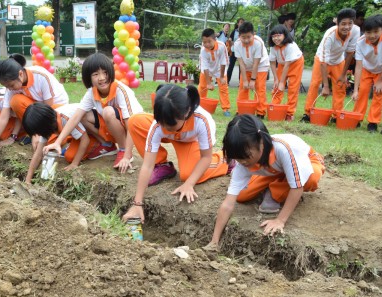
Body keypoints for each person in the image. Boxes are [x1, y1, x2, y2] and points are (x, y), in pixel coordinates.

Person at [207, 114, 325, 248]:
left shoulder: (284, 150)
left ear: (261, 142)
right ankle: (277, 184)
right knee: (242, 195)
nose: (242, 162)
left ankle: (275, 191)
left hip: (308, 162)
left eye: (246, 157)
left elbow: (297, 187)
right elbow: (228, 203)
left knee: (310, 178)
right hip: (274, 170)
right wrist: (214, 241)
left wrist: (280, 220)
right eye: (238, 159)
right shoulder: (244, 162)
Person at [121, 84, 231, 223]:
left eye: (170, 125)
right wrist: (137, 204)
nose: (166, 128)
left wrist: (189, 184)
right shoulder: (159, 125)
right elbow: (147, 165)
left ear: (186, 113)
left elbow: (206, 157)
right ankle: (163, 166)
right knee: (135, 121)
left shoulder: (201, 121)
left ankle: (225, 159)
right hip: (175, 135)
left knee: (187, 174)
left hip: (190, 142)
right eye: (162, 123)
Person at [43, 53, 142, 170]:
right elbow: (76, 117)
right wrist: (58, 142)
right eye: (96, 74)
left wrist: (126, 155)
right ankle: (107, 145)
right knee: (83, 115)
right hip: (113, 128)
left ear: (111, 71)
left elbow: (130, 124)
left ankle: (123, 149)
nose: (102, 78)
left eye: (105, 72)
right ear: (88, 78)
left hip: (134, 129)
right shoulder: (91, 92)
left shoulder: (120, 90)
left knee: (108, 112)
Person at [0, 54, 68, 161]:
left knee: (49, 142)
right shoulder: (11, 89)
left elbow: (48, 109)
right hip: (36, 111)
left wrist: (38, 134)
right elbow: (3, 117)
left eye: (11, 85)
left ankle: (63, 134)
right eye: (6, 87)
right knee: (16, 100)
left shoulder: (40, 76)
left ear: (20, 74)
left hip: (55, 110)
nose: (9, 89)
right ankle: (36, 134)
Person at [301, 8, 360, 123]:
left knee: (340, 87)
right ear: (337, 23)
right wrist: (326, 86)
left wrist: (343, 74)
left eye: (350, 23)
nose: (347, 27)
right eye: (343, 24)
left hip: (339, 61)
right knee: (314, 85)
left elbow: (349, 54)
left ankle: (336, 115)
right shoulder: (329, 35)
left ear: (353, 23)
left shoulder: (356, 31)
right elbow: (324, 62)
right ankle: (307, 113)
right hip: (322, 60)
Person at [22, 102, 93, 183]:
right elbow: (38, 153)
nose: (38, 135)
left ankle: (102, 146)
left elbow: (85, 140)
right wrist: (28, 180)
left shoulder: (66, 118)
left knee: (70, 156)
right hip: (82, 132)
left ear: (44, 126)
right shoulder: (48, 122)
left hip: (94, 128)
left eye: (38, 132)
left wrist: (74, 164)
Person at [352, 14, 382, 133]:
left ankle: (373, 122)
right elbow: (358, 66)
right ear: (364, 32)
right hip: (368, 68)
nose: (372, 36)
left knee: (379, 92)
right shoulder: (360, 42)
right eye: (368, 32)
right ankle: (357, 118)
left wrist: (381, 80)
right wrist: (356, 89)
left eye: (376, 31)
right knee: (362, 91)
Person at [233, 21, 270, 119]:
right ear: (239, 36)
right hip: (246, 65)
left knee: (259, 88)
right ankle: (242, 110)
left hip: (261, 65)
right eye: (243, 37)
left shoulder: (258, 43)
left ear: (253, 34)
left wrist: (253, 80)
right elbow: (241, 63)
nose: (246, 40)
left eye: (248, 37)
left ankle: (260, 111)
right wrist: (245, 80)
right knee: (243, 87)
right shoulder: (236, 44)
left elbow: (256, 63)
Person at [268, 25, 304, 121]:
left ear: (285, 35)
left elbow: (288, 65)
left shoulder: (290, 46)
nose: (276, 38)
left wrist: (281, 82)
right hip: (282, 64)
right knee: (276, 87)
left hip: (295, 63)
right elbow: (272, 63)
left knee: (293, 87)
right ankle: (274, 107)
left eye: (279, 35)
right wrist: (276, 79)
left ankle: (290, 113)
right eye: (274, 36)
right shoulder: (273, 48)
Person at [198, 28, 231, 117]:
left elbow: (223, 62)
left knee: (223, 88)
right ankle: (199, 106)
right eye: (204, 42)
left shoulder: (221, 46)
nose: (207, 44)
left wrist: (221, 77)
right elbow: (204, 66)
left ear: (215, 39)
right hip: (206, 70)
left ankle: (226, 108)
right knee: (202, 87)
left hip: (220, 68)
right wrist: (209, 83)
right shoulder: (203, 49)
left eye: (209, 41)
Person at [227, 18, 245, 84]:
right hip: (234, 50)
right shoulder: (234, 31)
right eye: (240, 22)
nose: (242, 23)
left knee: (241, 67)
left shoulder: (245, 32)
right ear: (238, 23)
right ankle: (227, 81)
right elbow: (230, 39)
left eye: (243, 22)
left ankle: (241, 82)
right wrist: (231, 41)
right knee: (231, 66)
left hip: (242, 51)